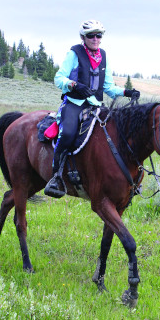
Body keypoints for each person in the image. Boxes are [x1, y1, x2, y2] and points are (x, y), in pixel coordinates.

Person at [44, 19, 140, 198]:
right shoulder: (74, 53)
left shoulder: (103, 56)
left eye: (99, 35)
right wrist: (74, 85)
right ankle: (56, 176)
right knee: (67, 134)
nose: (95, 39)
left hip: (95, 105)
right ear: (83, 37)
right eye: (91, 35)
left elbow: (109, 88)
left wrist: (127, 92)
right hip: (74, 103)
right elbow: (59, 78)